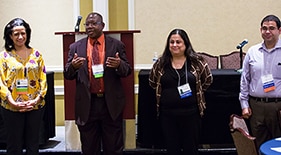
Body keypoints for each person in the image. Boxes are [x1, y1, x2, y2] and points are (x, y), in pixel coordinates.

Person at [63, 12, 132, 155]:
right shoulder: (76, 47)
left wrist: (119, 64)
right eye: (87, 24)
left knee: (113, 148)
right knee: (89, 148)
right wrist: (73, 67)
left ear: (103, 26)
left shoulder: (116, 45)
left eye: (94, 23)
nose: (89, 27)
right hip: (88, 104)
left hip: (110, 104)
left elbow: (127, 71)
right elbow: (67, 74)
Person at [149, 28, 213, 155]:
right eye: (171, 42)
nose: (174, 45)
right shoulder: (161, 63)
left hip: (191, 114)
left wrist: (197, 92)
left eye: (178, 42)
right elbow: (152, 82)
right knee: (172, 149)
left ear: (186, 44)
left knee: (191, 149)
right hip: (167, 115)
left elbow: (207, 80)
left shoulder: (197, 62)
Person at [0, 18, 47, 155]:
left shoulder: (37, 55)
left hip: (35, 106)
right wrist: (12, 102)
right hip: (11, 106)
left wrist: (37, 99)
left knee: (33, 145)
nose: (20, 37)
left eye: (23, 33)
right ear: (10, 36)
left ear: (27, 34)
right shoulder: (4, 57)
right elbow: (1, 81)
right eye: (16, 34)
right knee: (14, 145)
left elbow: (42, 79)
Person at [239, 14, 281, 148]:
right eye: (264, 28)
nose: (267, 31)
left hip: (278, 106)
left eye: (271, 28)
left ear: (279, 30)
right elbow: (245, 80)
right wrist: (244, 104)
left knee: (278, 146)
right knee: (259, 145)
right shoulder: (252, 51)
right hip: (256, 107)